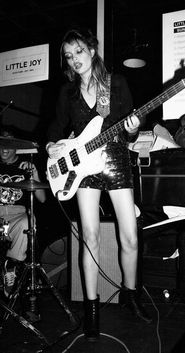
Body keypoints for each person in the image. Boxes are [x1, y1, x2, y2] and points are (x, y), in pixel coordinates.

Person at [46, 27, 151, 341]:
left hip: (115, 158)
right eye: (69, 55)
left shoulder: (115, 83)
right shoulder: (67, 92)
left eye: (79, 51)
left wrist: (133, 128)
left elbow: (129, 130)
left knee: (129, 236)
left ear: (91, 50)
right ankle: (91, 308)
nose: (75, 59)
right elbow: (56, 126)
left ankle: (131, 295)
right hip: (82, 167)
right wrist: (52, 144)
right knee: (89, 236)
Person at [0, 127, 46, 297]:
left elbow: (42, 199)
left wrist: (34, 173)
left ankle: (11, 266)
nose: (4, 148)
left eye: (9, 144)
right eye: (1, 144)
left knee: (28, 222)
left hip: (16, 216)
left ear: (17, 147)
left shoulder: (25, 167)